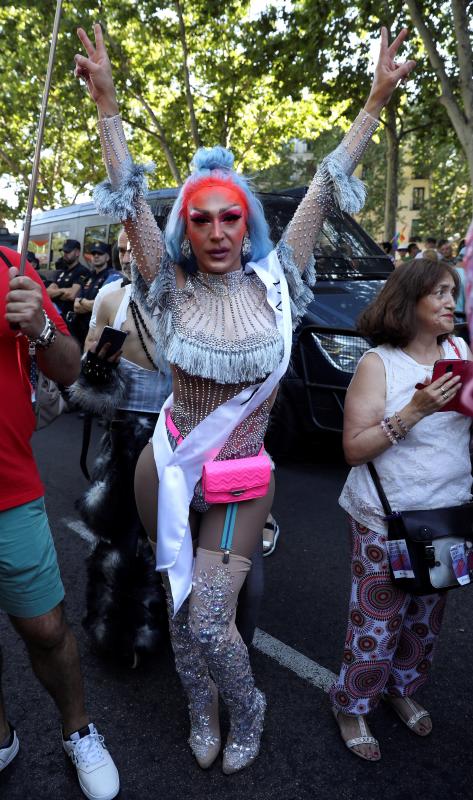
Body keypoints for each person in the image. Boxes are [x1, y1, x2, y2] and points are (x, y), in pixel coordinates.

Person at [75, 22, 414, 773]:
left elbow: (324, 186)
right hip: (166, 467)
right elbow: (129, 198)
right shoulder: (166, 286)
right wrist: (107, 106)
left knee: (208, 620)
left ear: (249, 222)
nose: (217, 230)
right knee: (177, 604)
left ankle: (248, 706)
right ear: (184, 228)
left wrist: (373, 102)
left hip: (240, 477)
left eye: (230, 216)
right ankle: (201, 709)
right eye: (200, 219)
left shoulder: (278, 280)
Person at [330, 258, 471, 762]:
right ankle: (351, 705)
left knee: (425, 620)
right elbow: (353, 449)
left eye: (452, 291)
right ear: (409, 300)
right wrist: (415, 410)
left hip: (448, 513)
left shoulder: (459, 351)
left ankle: (401, 688)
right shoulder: (379, 364)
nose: (451, 302)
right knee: (377, 622)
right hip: (385, 519)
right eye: (439, 292)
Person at [0, 246, 119, 799]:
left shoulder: (11, 267)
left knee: (46, 629)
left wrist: (41, 330)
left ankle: (79, 731)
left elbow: (71, 370)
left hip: (9, 492)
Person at [70, 229, 171, 666]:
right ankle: (109, 634)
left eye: (137, 248)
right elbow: (85, 383)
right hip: (122, 439)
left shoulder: (185, 300)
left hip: (173, 441)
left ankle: (153, 635)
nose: (129, 257)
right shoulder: (112, 297)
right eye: (124, 250)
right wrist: (97, 368)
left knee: (160, 543)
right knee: (115, 542)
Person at [71, 241, 120, 347]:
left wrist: (83, 301)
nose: (96, 256)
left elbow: (105, 305)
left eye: (100, 253)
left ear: (107, 257)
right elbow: (76, 306)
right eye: (93, 253)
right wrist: (90, 304)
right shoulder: (88, 276)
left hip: (96, 330)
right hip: (80, 329)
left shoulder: (113, 276)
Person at [47, 239, 90, 326]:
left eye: (68, 251)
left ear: (77, 253)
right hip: (53, 317)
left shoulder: (82, 271)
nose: (65, 254)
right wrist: (63, 291)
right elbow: (47, 293)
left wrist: (56, 292)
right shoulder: (62, 272)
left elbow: (72, 295)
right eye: (64, 251)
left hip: (69, 320)